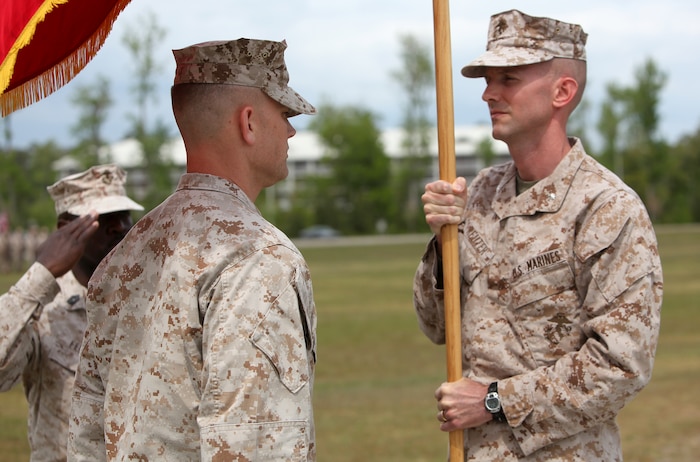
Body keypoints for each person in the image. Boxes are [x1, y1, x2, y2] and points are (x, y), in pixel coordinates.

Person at [413, 9, 663, 461]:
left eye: (508, 78)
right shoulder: (481, 193)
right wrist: (441, 243)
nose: (489, 93)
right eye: (488, 79)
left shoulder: (605, 208)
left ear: (562, 92)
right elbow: (435, 327)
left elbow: (621, 366)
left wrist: (494, 401)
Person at [68, 38, 318, 461]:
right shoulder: (258, 257)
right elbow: (253, 444)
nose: (292, 129)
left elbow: (87, 432)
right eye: (284, 113)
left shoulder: (125, 254)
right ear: (250, 122)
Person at [0, 164, 143, 461]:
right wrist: (41, 274)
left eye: (123, 215)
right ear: (66, 228)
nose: (120, 227)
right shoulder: (44, 312)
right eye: (103, 218)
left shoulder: (146, 297)